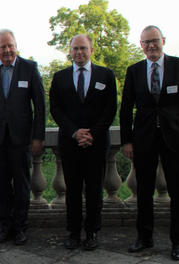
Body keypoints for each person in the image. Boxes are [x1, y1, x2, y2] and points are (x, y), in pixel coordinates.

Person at [121, 26, 179, 261]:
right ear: (141, 45)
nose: (151, 46)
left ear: (163, 40)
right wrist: (127, 140)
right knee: (143, 192)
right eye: (146, 42)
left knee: (178, 192)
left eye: (154, 41)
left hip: (175, 139)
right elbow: (126, 109)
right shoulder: (134, 71)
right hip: (144, 140)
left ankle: (178, 242)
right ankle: (144, 238)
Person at [0, 29, 45, 245]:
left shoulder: (29, 68)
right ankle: (5, 226)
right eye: (2, 46)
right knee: (2, 185)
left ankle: (21, 227)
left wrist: (38, 137)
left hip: (22, 139)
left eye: (10, 45)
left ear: (16, 45)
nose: (7, 50)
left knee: (22, 185)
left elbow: (40, 106)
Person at [49, 34, 117, 251]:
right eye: (75, 48)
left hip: (96, 144)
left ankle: (92, 232)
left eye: (83, 48)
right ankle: (74, 232)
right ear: (69, 51)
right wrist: (75, 132)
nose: (79, 52)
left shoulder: (105, 75)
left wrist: (92, 134)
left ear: (91, 50)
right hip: (70, 143)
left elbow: (110, 109)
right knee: (73, 190)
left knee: (95, 190)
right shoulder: (60, 77)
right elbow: (56, 109)